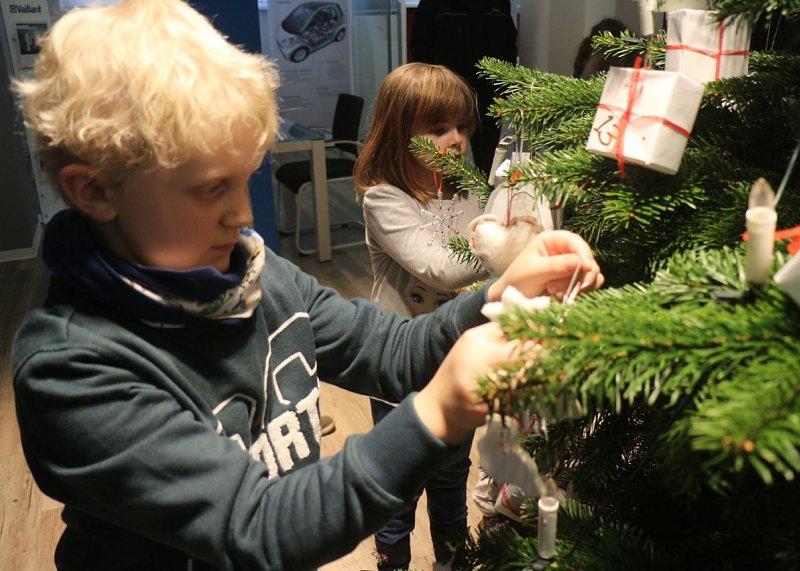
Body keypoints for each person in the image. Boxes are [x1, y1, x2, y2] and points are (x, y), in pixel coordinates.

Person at [10, 1, 604, 570]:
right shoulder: (72, 369)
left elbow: (389, 351)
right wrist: (438, 411)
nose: (242, 214)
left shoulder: (255, 277)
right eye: (210, 189)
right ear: (95, 190)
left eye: (246, 180)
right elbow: (259, 528)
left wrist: (496, 295)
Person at [354, 62, 490, 570]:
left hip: (457, 361)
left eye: (461, 127)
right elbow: (441, 268)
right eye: (438, 129)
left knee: (453, 477)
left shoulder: (464, 191)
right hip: (400, 368)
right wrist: (507, 248)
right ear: (398, 132)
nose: (456, 140)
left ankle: (452, 561)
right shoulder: (384, 200)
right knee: (398, 487)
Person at [410, 0, 518, 177]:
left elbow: (508, 45)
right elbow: (420, 45)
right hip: (448, 90)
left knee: (489, 151)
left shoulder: (499, 2)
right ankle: (443, 194)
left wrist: (504, 84)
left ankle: (486, 194)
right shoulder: (433, 3)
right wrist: (433, 85)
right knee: (446, 145)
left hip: (488, 90)